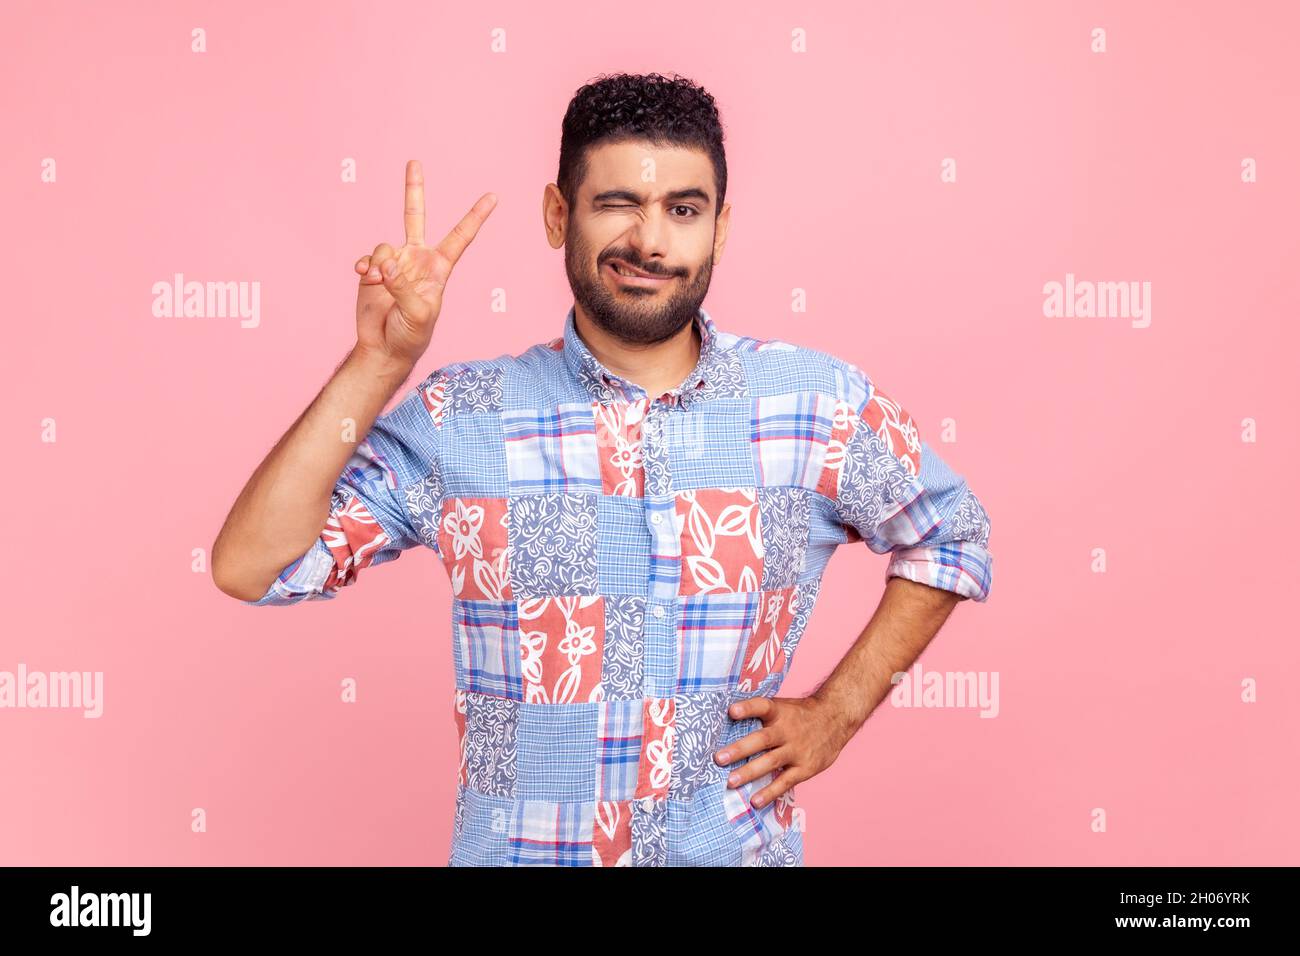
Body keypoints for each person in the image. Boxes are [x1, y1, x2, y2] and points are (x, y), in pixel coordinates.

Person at [212, 72, 993, 867]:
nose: (651, 242)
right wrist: (378, 363)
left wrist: (841, 708)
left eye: (683, 210)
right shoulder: (461, 418)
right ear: (559, 216)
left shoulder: (816, 405)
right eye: (618, 203)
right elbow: (252, 566)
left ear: (720, 228)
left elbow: (951, 535)